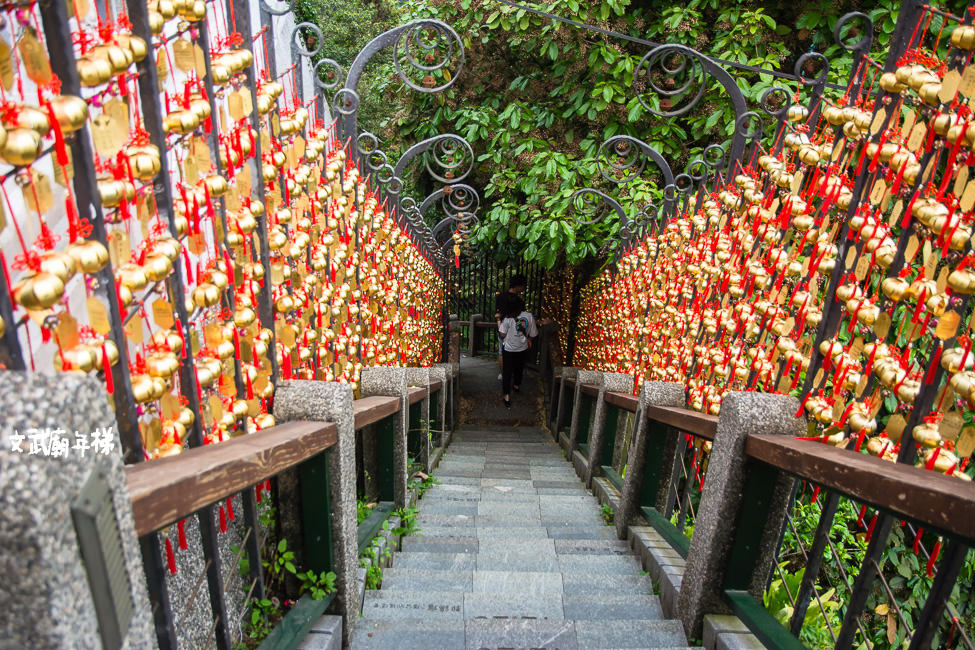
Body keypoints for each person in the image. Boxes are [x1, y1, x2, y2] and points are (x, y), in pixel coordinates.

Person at [497, 308, 537, 408]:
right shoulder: (529, 316)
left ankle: (506, 396)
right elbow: (533, 334)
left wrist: (499, 320)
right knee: (519, 368)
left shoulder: (507, 317)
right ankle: (516, 385)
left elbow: (502, 334)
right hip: (522, 348)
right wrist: (528, 339)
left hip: (509, 349)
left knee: (507, 372)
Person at [493, 274, 526, 381]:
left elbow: (498, 314)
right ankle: (513, 375)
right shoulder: (519, 301)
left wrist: (499, 326)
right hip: (515, 330)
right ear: (518, 285)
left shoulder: (500, 297)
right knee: (515, 352)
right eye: (523, 285)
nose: (523, 288)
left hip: (502, 328)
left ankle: (503, 375)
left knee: (502, 352)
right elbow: (522, 317)